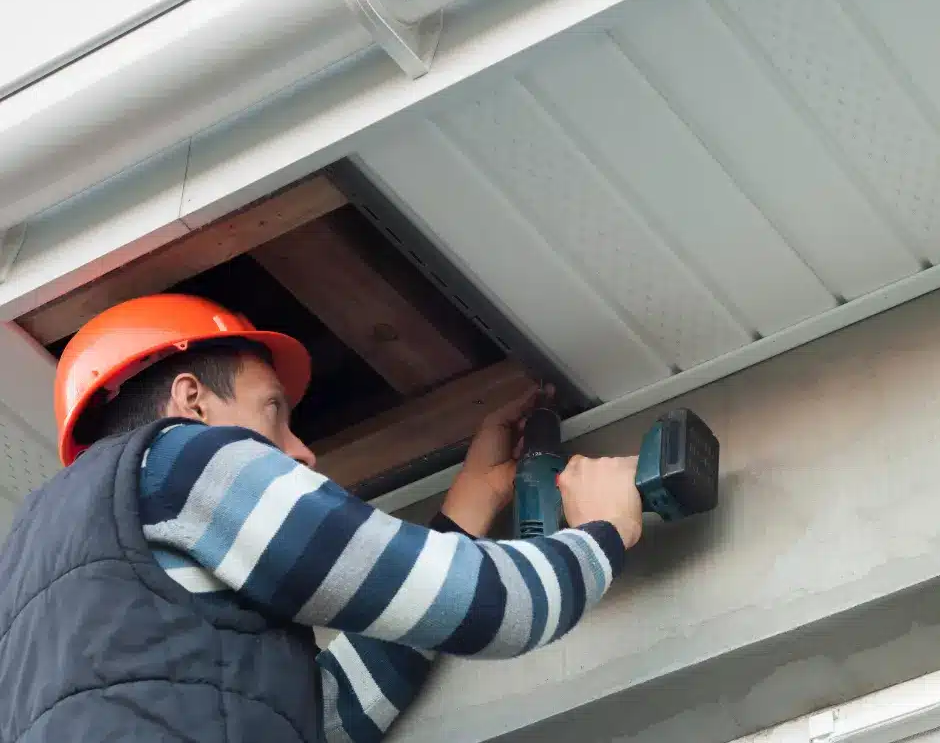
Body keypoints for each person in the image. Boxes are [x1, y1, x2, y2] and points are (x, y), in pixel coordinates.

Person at [0, 293, 644, 743]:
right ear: (191, 400)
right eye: (273, 411)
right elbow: (497, 612)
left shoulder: (32, 580)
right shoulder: (180, 460)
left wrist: (467, 507)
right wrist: (601, 533)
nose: (303, 450)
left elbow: (317, 720)